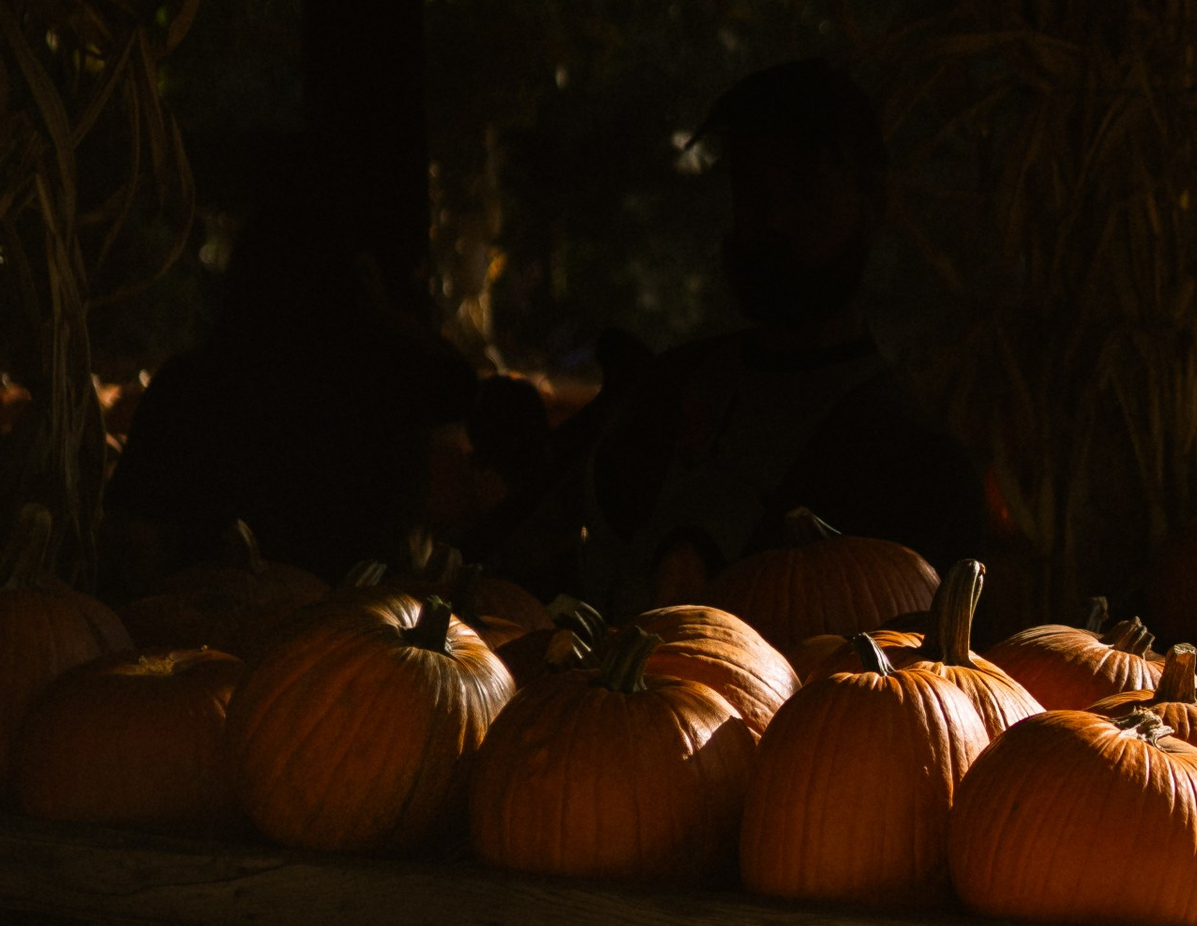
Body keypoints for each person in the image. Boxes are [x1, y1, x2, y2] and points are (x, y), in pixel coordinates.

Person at [520, 59, 984, 611]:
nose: (774, 219)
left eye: (805, 188)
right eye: (751, 187)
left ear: (870, 202)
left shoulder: (914, 463)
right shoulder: (666, 392)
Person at [102, 144, 479, 589]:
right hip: (350, 625)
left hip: (230, 621)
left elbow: (136, 527)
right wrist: (381, 311)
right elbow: (458, 385)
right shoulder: (374, 393)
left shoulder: (190, 386)